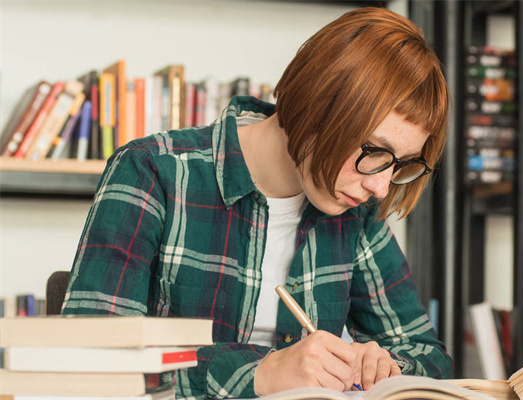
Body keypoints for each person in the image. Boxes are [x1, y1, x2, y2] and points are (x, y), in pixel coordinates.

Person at [62, 6, 452, 399]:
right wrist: (262, 372)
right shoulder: (153, 172)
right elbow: (92, 359)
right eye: (375, 151)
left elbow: (429, 356)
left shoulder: (356, 211)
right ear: (319, 106)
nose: (382, 186)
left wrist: (386, 367)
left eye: (402, 164)